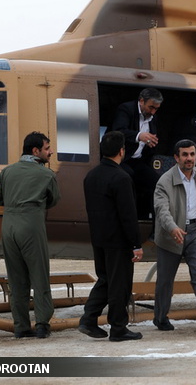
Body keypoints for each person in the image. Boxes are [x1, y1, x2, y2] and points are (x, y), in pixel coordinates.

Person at [0, 132, 61, 338]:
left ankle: (20, 326)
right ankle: (42, 324)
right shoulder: (46, 174)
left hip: (8, 226)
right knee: (39, 276)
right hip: (31, 225)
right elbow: (54, 200)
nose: (51, 152)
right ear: (35, 151)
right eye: (47, 148)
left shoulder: (7, 171)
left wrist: (13, 202)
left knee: (16, 278)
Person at [78, 131, 144, 342]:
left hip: (98, 238)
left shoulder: (91, 176)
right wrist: (136, 243)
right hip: (118, 241)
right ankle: (118, 327)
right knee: (120, 285)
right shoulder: (121, 177)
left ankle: (89, 319)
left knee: (106, 280)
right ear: (121, 151)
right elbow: (128, 215)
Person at [153, 139, 196, 332]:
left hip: (195, 230)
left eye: (192, 154)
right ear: (176, 157)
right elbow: (161, 210)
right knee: (165, 280)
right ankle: (160, 318)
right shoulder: (164, 181)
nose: (189, 158)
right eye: (185, 155)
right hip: (171, 234)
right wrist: (173, 228)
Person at [112, 88, 163, 219]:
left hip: (139, 161)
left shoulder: (153, 118)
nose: (153, 112)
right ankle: (128, 218)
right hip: (120, 159)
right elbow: (118, 131)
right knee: (127, 178)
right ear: (141, 101)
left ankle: (155, 224)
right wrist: (139, 136)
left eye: (156, 109)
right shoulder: (126, 109)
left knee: (157, 183)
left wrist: (151, 143)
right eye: (151, 107)